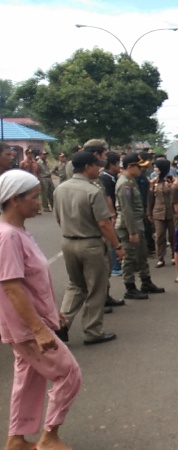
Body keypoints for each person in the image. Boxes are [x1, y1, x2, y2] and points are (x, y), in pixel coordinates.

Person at [0, 170, 82, 450]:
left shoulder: (19, 231)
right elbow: (11, 287)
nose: (39, 202)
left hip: (30, 323)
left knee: (29, 379)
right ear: (14, 199)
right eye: (34, 197)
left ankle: (16, 440)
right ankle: (49, 438)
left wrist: (51, 314)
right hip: (26, 327)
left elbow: (34, 282)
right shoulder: (8, 237)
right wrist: (38, 329)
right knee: (69, 373)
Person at [53, 151, 124, 345]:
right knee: (96, 288)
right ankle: (93, 330)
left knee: (76, 285)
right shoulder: (93, 191)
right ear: (87, 167)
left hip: (68, 241)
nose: (99, 168)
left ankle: (63, 322)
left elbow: (59, 218)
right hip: (90, 243)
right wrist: (117, 246)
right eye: (96, 165)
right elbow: (104, 223)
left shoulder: (61, 188)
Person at [116, 153, 165, 300]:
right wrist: (132, 231)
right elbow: (127, 210)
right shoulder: (124, 183)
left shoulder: (131, 181)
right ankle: (130, 287)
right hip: (129, 226)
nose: (141, 170)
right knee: (130, 258)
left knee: (142, 255)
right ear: (130, 167)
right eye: (139, 167)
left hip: (137, 224)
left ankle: (146, 282)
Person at [99, 152, 123, 276]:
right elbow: (108, 197)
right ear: (112, 164)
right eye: (118, 163)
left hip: (114, 210)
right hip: (110, 212)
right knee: (114, 238)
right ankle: (115, 266)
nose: (120, 166)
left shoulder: (113, 176)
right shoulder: (105, 178)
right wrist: (112, 214)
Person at [148, 159, 175, 268]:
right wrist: (149, 213)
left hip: (171, 211)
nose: (155, 170)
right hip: (158, 211)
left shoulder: (171, 180)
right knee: (159, 236)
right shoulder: (154, 182)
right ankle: (160, 258)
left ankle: (174, 255)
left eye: (157, 167)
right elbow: (150, 198)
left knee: (173, 235)